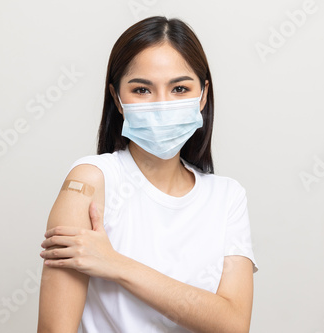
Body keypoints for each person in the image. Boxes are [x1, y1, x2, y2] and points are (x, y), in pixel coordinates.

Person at [37, 16, 259, 333]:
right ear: (117, 98)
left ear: (203, 95)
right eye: (142, 89)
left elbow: (234, 324)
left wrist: (116, 264)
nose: (161, 105)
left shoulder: (227, 196)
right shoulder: (90, 182)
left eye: (180, 88)